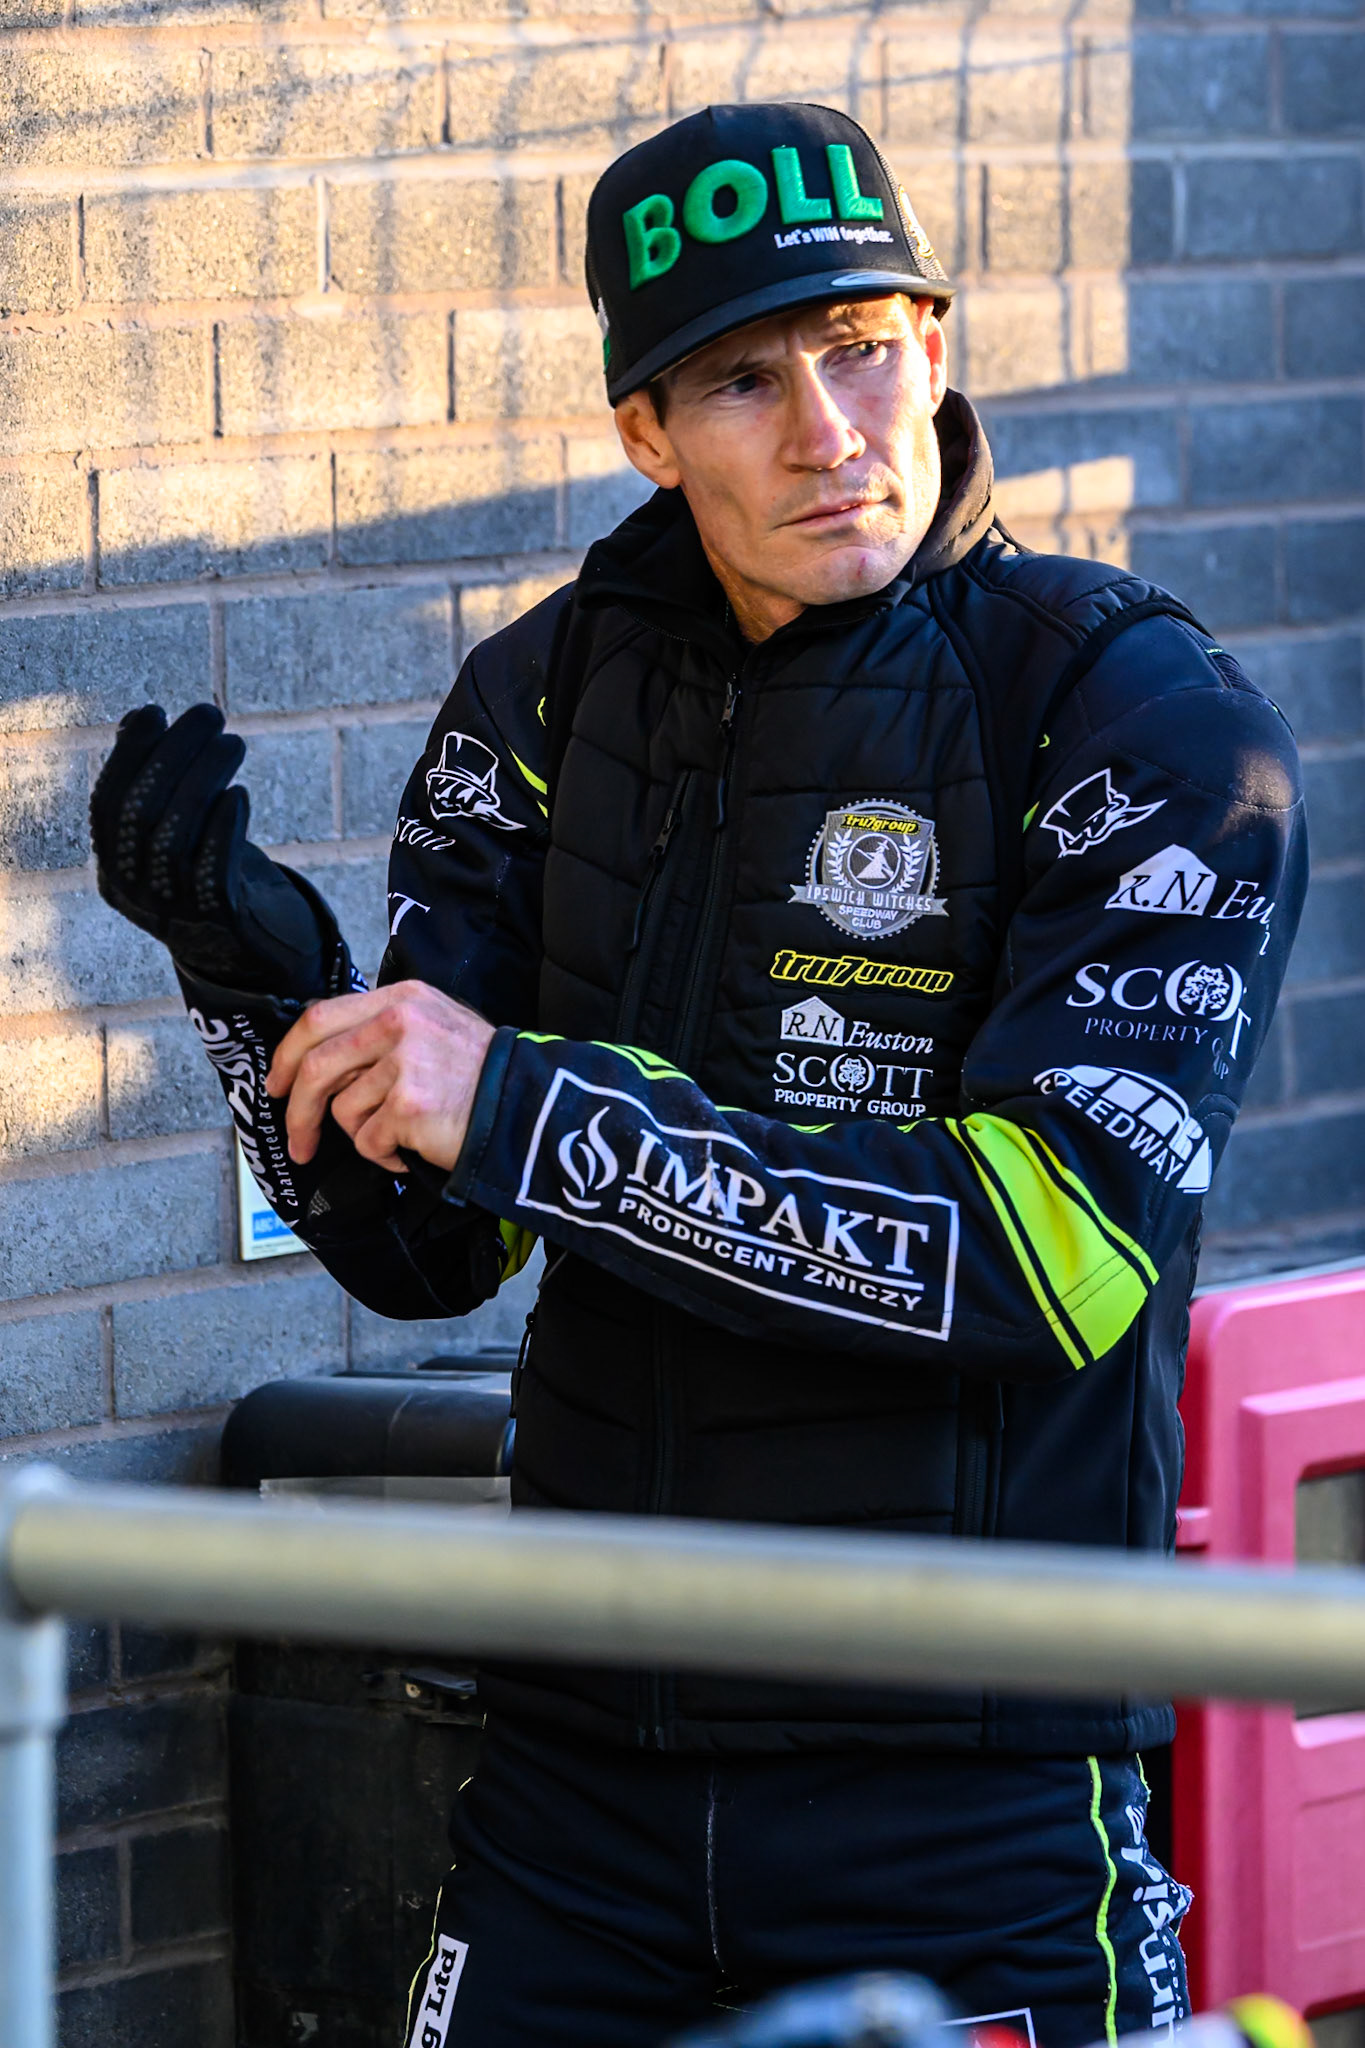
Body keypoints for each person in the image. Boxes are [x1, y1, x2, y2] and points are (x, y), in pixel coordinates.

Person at [91, 100, 1306, 2048]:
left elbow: (1037, 1261)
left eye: (863, 345)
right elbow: (430, 1255)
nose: (828, 428)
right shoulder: (545, 693)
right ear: (644, 431)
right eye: (744, 378)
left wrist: (522, 1103)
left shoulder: (1131, 709)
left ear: (932, 339)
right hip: (578, 1791)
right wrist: (270, 1001)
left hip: (964, 1801)